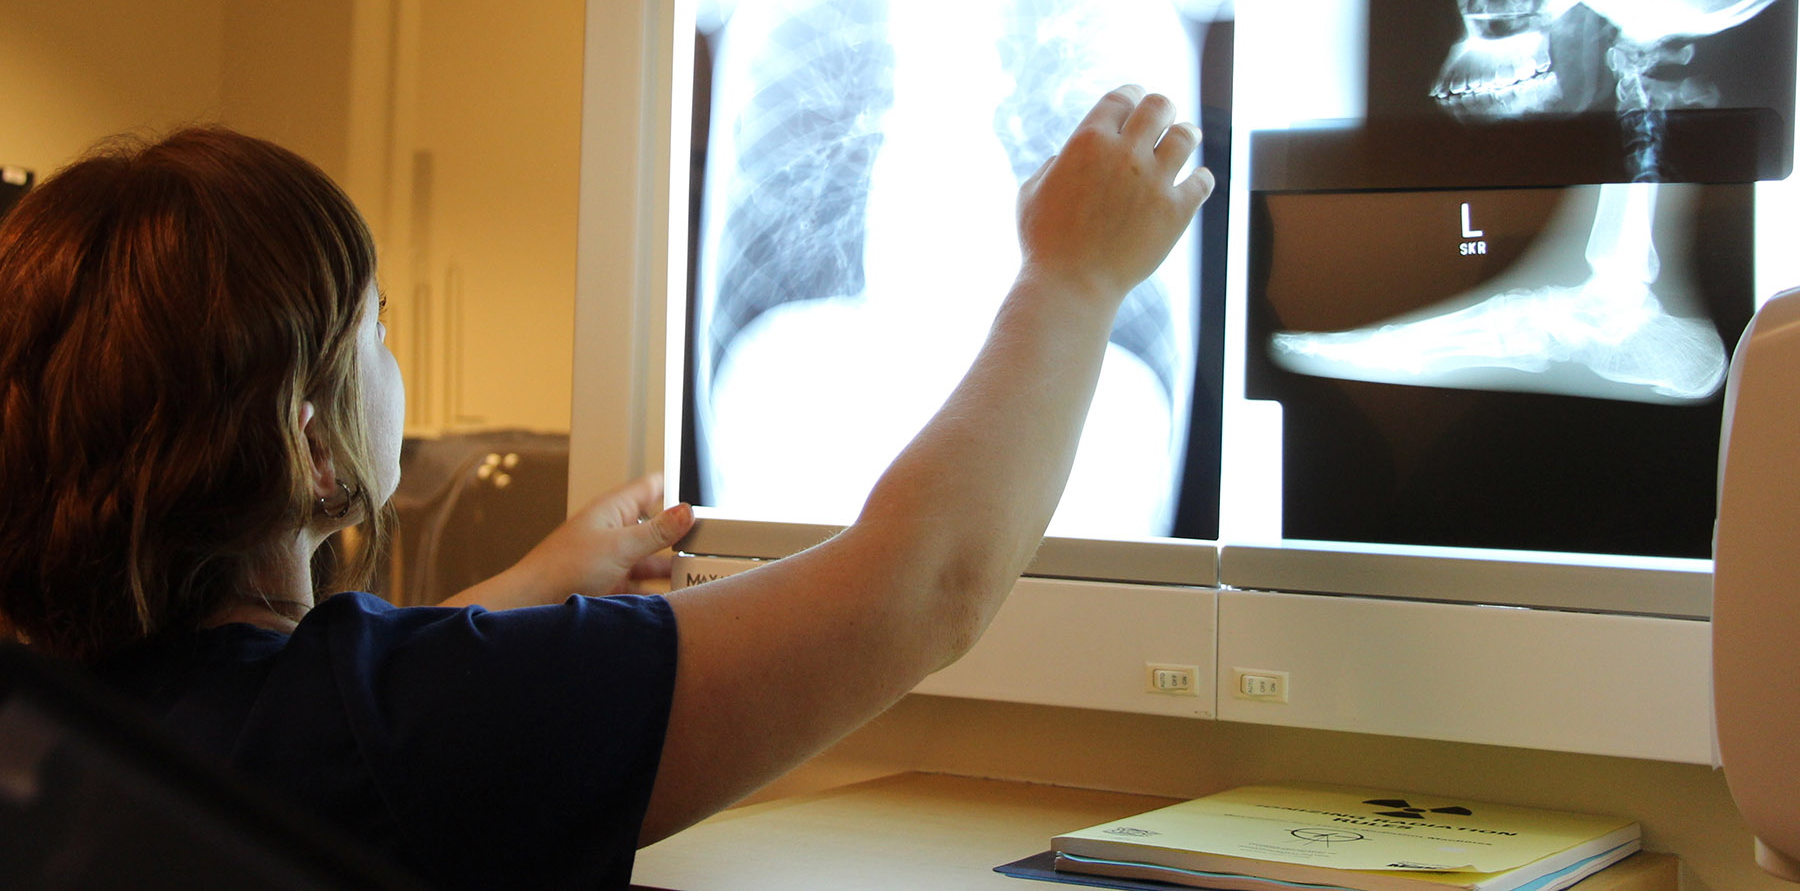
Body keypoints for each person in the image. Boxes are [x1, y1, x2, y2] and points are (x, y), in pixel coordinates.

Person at [0, 86, 1213, 887]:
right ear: (313, 446)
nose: (396, 356)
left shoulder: (67, 714)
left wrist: (526, 589)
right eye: (378, 329)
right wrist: (1074, 281)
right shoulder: (393, 735)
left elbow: (324, 716)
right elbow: (921, 585)